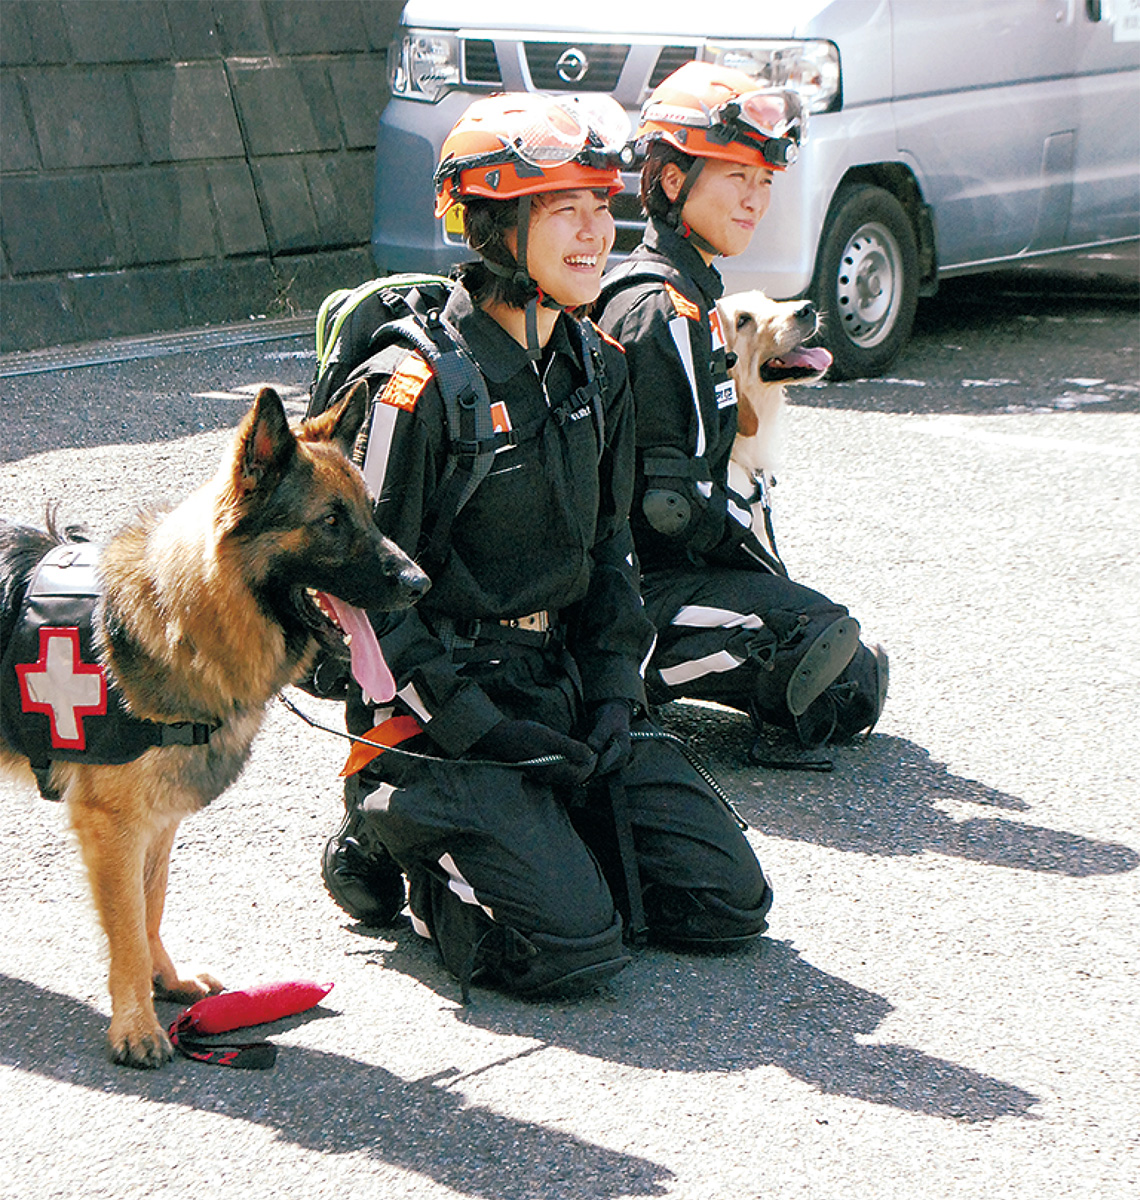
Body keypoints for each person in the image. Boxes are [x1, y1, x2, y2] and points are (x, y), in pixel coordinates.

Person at [318, 92, 772, 1000]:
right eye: (564, 210)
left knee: (726, 902)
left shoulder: (598, 367)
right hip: (439, 713)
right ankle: (390, 839)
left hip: (558, 689)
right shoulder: (416, 386)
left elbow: (611, 558)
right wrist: (480, 728)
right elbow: (364, 597)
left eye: (601, 206)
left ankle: (536, 836)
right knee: (570, 949)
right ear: (494, 227)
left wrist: (611, 698)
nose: (596, 232)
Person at [594, 62, 888, 753]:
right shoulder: (663, 310)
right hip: (631, 589)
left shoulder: (685, 296)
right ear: (674, 182)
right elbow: (673, 508)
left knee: (844, 664)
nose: (755, 199)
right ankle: (621, 678)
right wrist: (769, 578)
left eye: (764, 182)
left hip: (651, 571)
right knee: (816, 640)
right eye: (736, 178)